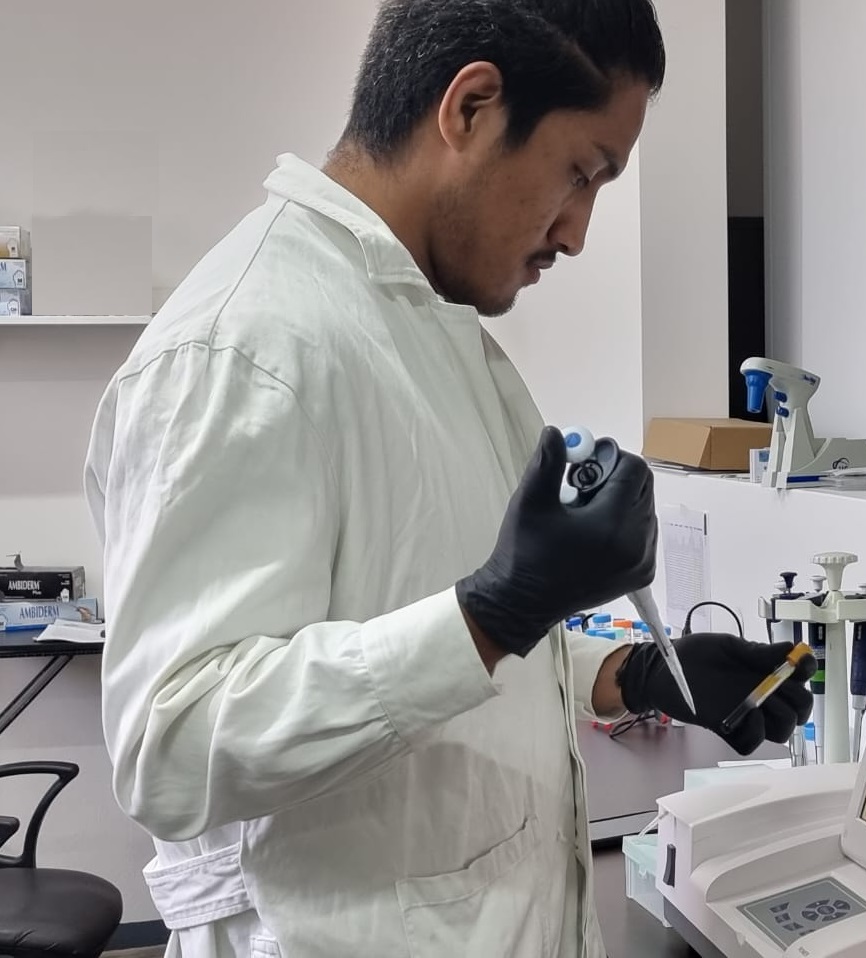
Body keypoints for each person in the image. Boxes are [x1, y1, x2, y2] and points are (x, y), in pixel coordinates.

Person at [84, 2, 815, 956]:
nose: (579, 231)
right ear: (470, 107)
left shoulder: (445, 343)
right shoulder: (244, 348)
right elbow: (169, 746)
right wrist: (493, 612)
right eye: (581, 173)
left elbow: (431, 636)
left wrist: (632, 675)